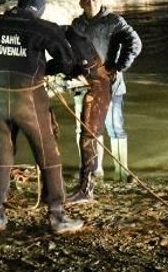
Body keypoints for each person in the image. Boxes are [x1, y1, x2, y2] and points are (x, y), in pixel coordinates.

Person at [0, 0, 83, 234]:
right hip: (30, 99)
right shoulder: (44, 28)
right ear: (39, 8)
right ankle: (56, 216)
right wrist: (46, 69)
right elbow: (67, 61)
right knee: (49, 157)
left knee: (2, 159)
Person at [72, 0, 142, 182]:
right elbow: (71, 53)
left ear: (100, 0)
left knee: (115, 126)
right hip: (84, 85)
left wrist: (119, 67)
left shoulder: (115, 22)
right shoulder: (76, 25)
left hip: (111, 85)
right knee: (85, 129)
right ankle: (93, 170)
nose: (90, 3)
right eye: (86, 0)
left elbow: (135, 43)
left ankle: (121, 170)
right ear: (80, 3)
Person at [59, 25, 112, 204]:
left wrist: (64, 78)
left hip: (98, 89)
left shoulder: (76, 43)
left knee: (88, 137)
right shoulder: (72, 37)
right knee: (87, 137)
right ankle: (85, 186)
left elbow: (80, 69)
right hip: (94, 86)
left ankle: (86, 189)